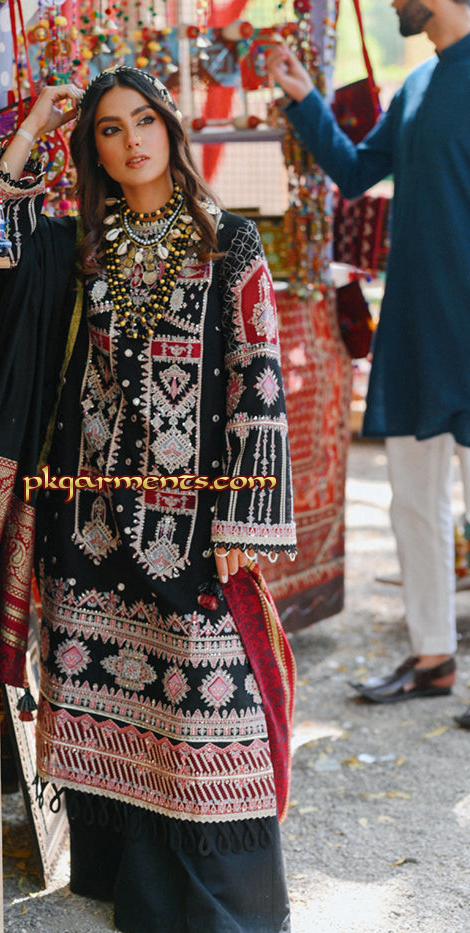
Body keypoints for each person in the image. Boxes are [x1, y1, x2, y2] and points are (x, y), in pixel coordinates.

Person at [0, 66, 297, 933]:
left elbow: (257, 374)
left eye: (144, 121)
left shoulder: (228, 241)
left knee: (203, 691)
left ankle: (220, 913)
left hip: (193, 520)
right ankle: (119, 876)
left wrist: (246, 514)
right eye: (110, 129)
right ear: (94, 149)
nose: (132, 141)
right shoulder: (80, 242)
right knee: (106, 688)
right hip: (89, 517)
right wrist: (36, 122)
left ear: (170, 127)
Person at [267, 0, 470, 713]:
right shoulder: (420, 83)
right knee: (412, 501)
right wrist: (305, 101)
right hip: (416, 328)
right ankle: (433, 656)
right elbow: (355, 173)